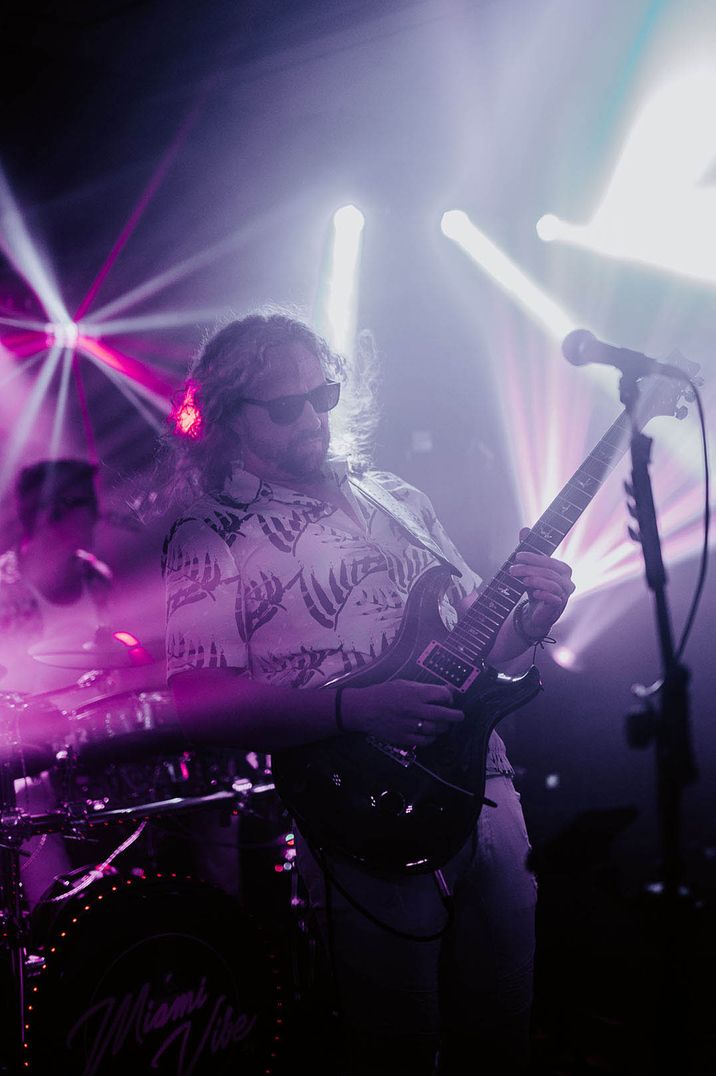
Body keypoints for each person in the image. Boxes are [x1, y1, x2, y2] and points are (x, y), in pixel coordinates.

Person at [162, 313, 576, 1075]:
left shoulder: (398, 496)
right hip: (361, 807)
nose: (312, 416)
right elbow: (195, 698)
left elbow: (476, 645)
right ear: (226, 417)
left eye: (323, 394)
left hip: (484, 785)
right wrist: (352, 709)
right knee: (396, 1044)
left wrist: (533, 621)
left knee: (506, 1025)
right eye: (284, 406)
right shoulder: (211, 529)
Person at [0, 459, 111, 909]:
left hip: (93, 743)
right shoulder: (6, 589)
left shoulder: (95, 578)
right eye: (89, 505)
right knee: (29, 797)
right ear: (51, 512)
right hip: (30, 755)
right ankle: (61, 929)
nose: (98, 516)